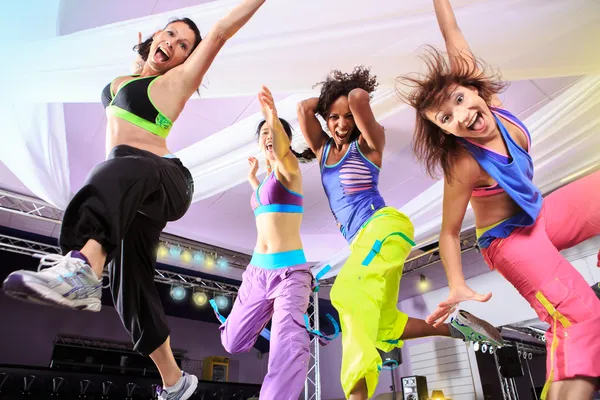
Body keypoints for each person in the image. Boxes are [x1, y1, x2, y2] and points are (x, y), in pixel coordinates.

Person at [2, 2, 266, 399]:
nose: (173, 44)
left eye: (183, 46)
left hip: (165, 180)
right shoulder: (120, 82)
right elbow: (127, 91)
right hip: (130, 194)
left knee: (117, 166)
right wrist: (139, 55)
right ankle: (175, 382)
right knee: (130, 288)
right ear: (156, 36)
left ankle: (81, 270)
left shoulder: (175, 84)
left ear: (186, 61)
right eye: (170, 34)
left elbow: (220, 32)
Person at [398, 1, 600, 399]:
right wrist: (455, 285)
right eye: (445, 118)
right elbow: (450, 233)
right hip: (509, 243)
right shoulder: (464, 164)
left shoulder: (493, 108)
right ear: (446, 132)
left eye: (457, 100)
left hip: (539, 216)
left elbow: (452, 34)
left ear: (472, 88)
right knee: (581, 318)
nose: (460, 115)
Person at [297, 67, 503, 400]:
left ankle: (357, 395)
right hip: (368, 241)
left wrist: (350, 95)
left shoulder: (368, 145)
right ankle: (458, 329)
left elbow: (359, 98)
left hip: (383, 227)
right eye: (333, 118)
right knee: (383, 324)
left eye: (347, 117)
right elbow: (305, 110)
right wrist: (327, 105)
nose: (341, 123)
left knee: (346, 293)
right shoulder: (323, 154)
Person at [210, 86, 315, 400]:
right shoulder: (265, 183)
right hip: (257, 273)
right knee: (231, 342)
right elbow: (262, 199)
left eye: (276, 132)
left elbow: (282, 156)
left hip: (289, 275)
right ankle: (273, 313)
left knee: (287, 345)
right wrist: (253, 178)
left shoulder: (290, 171)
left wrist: (271, 116)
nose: (269, 136)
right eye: (264, 133)